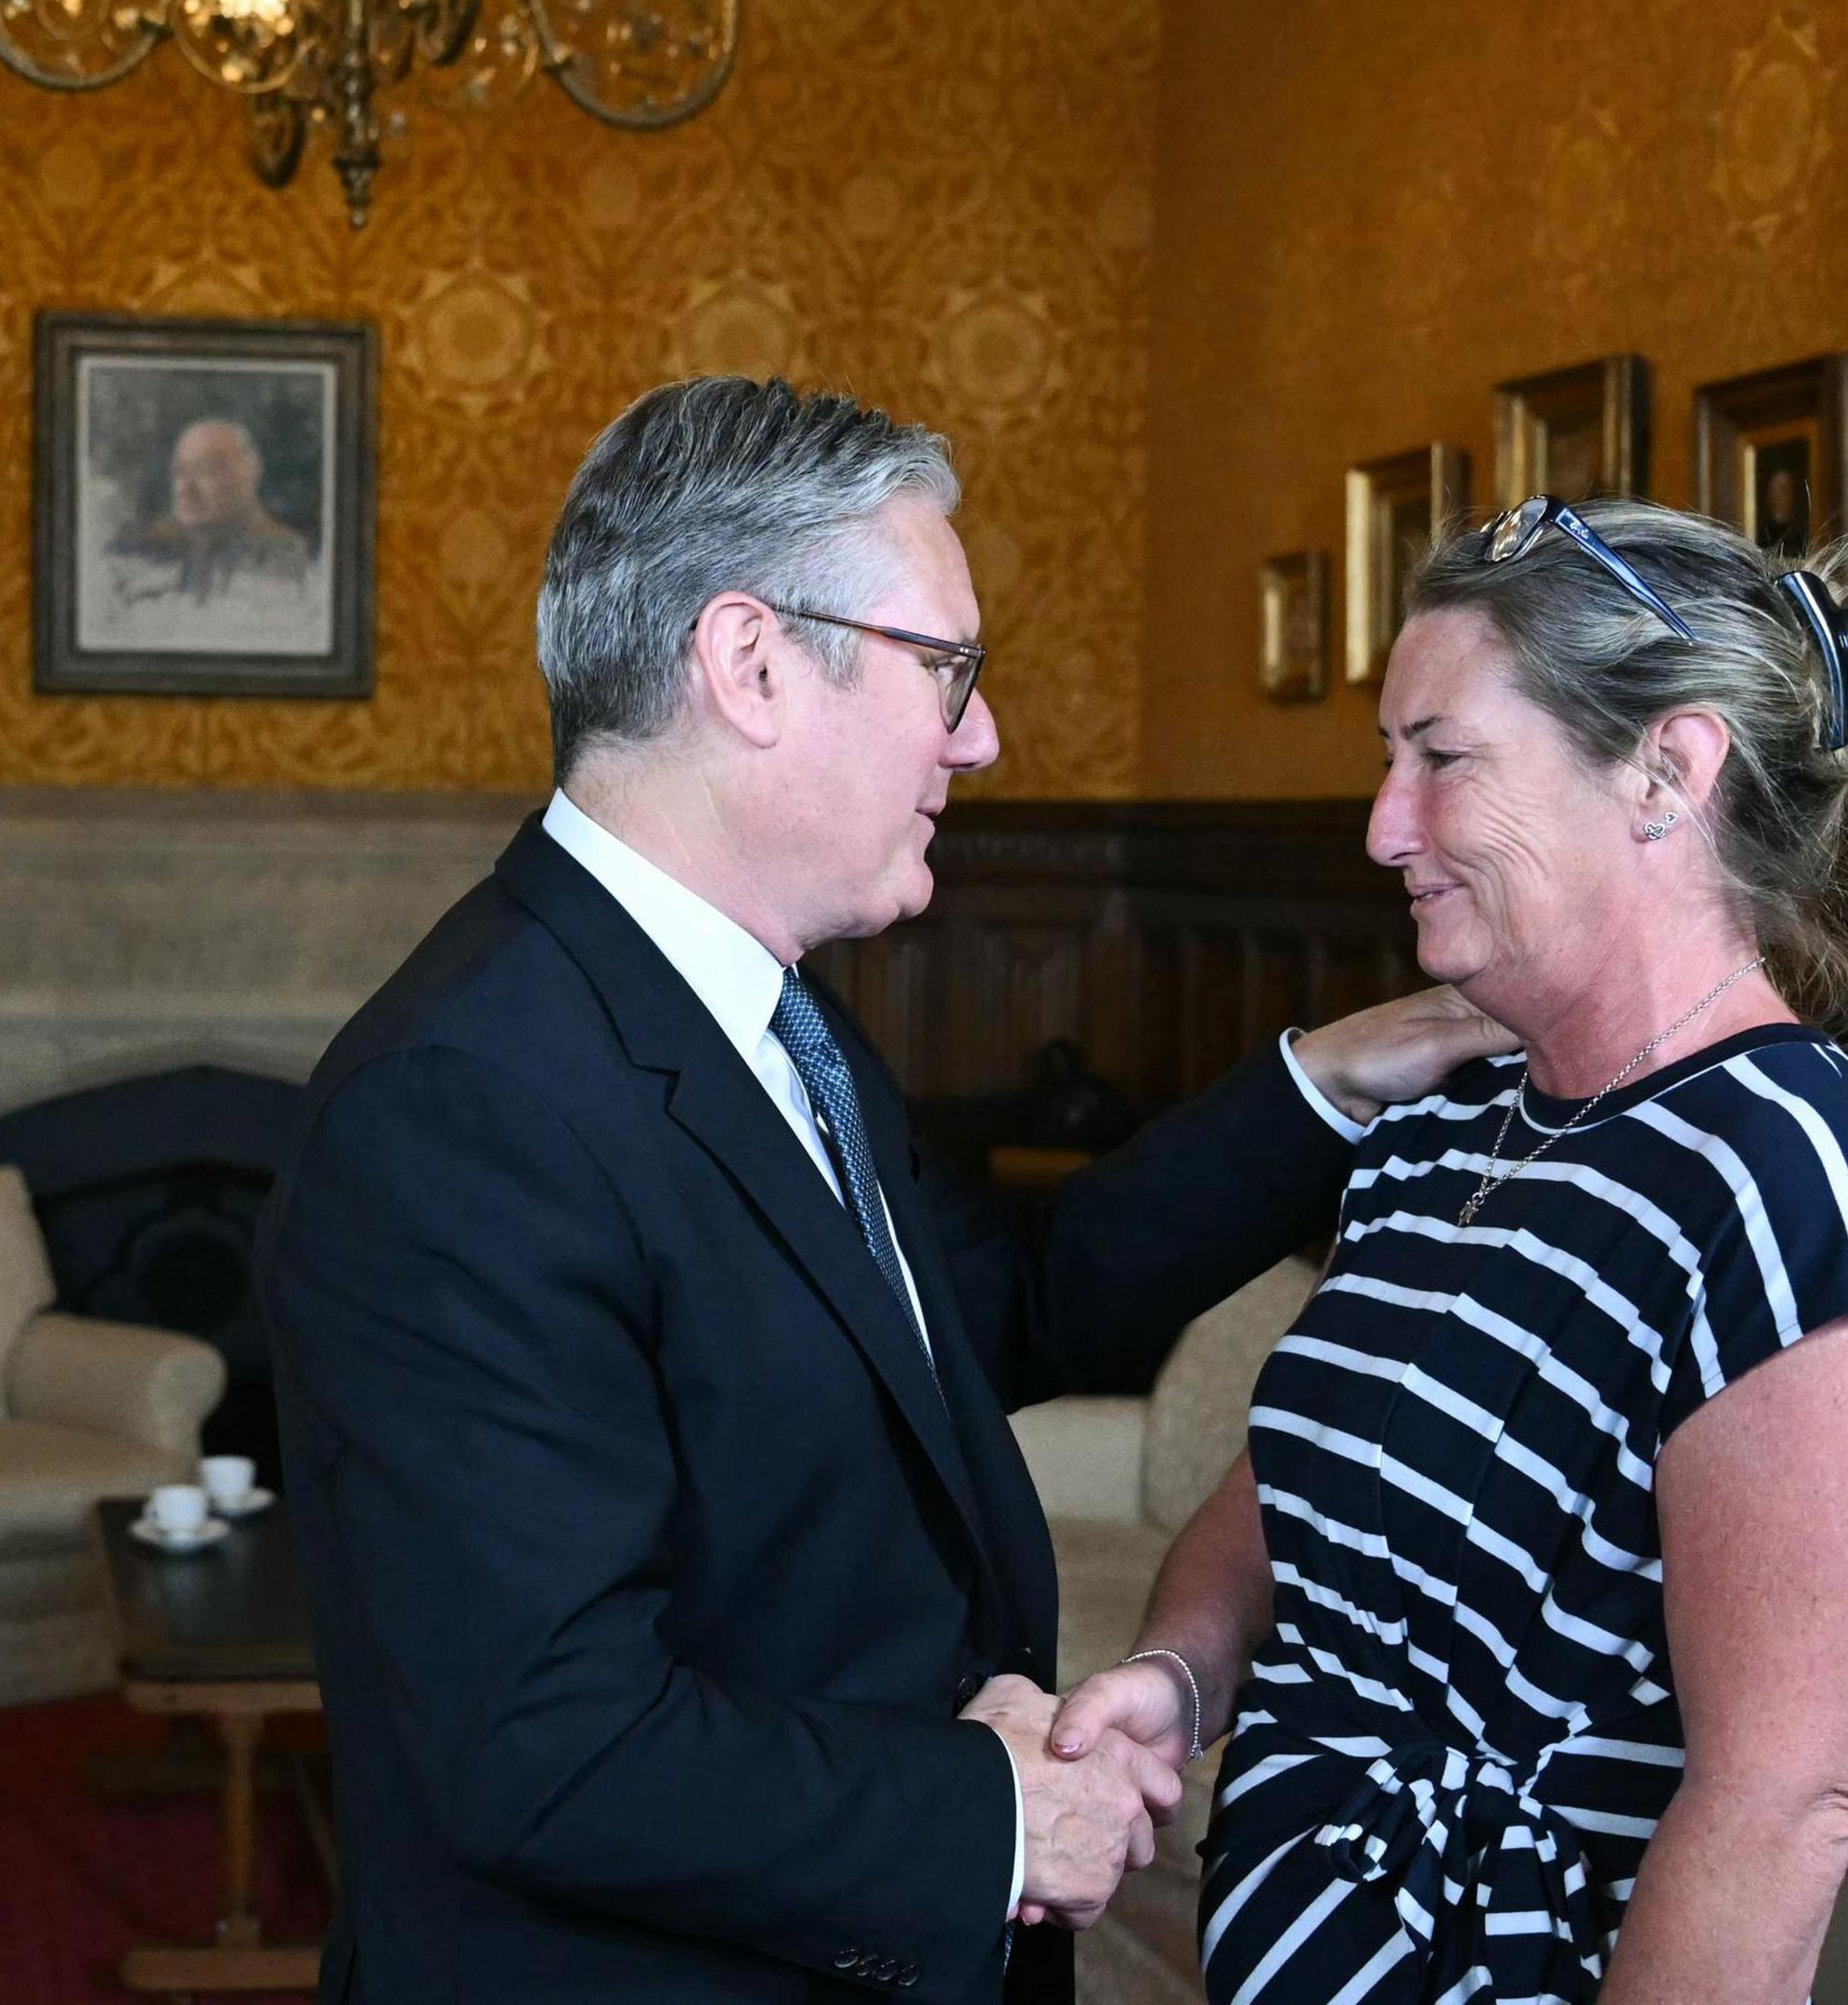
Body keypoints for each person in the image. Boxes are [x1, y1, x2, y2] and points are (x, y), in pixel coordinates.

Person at [255, 377, 1506, 2004]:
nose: (979, 738)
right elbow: (540, 1743)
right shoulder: (459, 1106)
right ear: (751, 664)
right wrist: (989, 1817)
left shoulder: (766, 1015)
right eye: (946, 669)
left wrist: (1332, 1077)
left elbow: (995, 1310)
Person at [1045, 495, 1848, 2003]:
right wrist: (1180, 1673)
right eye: (1388, 760)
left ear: (1667, 771)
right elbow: (1304, 1480)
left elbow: (1782, 1810)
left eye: (1443, 759)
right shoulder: (1453, 1119)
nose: (1383, 828)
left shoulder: (1795, 1189)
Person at [106, 414, 314, 607]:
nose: (185, 488)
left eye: (204, 470)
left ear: (250, 473)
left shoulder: (286, 557)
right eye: (179, 472)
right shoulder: (144, 553)